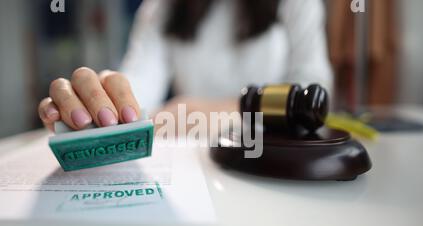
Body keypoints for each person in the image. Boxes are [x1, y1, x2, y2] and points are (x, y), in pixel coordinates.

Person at [38, 0, 332, 131]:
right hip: (191, 161)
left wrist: (220, 110)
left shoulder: (298, 3)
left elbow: (314, 91)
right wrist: (104, 99)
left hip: (272, 155)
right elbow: (139, 87)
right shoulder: (161, 7)